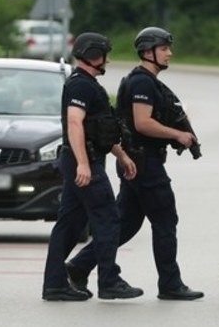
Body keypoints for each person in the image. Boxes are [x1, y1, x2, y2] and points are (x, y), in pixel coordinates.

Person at [66, 27, 203, 301]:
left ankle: (78, 267)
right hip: (144, 163)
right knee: (165, 220)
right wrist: (178, 134)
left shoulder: (147, 81)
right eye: (164, 49)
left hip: (136, 162)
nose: (169, 53)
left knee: (125, 223)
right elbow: (143, 122)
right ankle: (170, 284)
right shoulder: (142, 83)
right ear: (148, 51)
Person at [42, 32, 143, 302]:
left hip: (82, 159)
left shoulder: (85, 84)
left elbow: (99, 131)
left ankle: (54, 285)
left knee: (69, 225)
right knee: (108, 220)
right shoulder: (82, 86)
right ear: (94, 55)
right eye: (104, 56)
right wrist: (84, 165)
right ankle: (109, 282)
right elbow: (75, 124)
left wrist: (121, 155)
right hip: (84, 162)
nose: (107, 61)